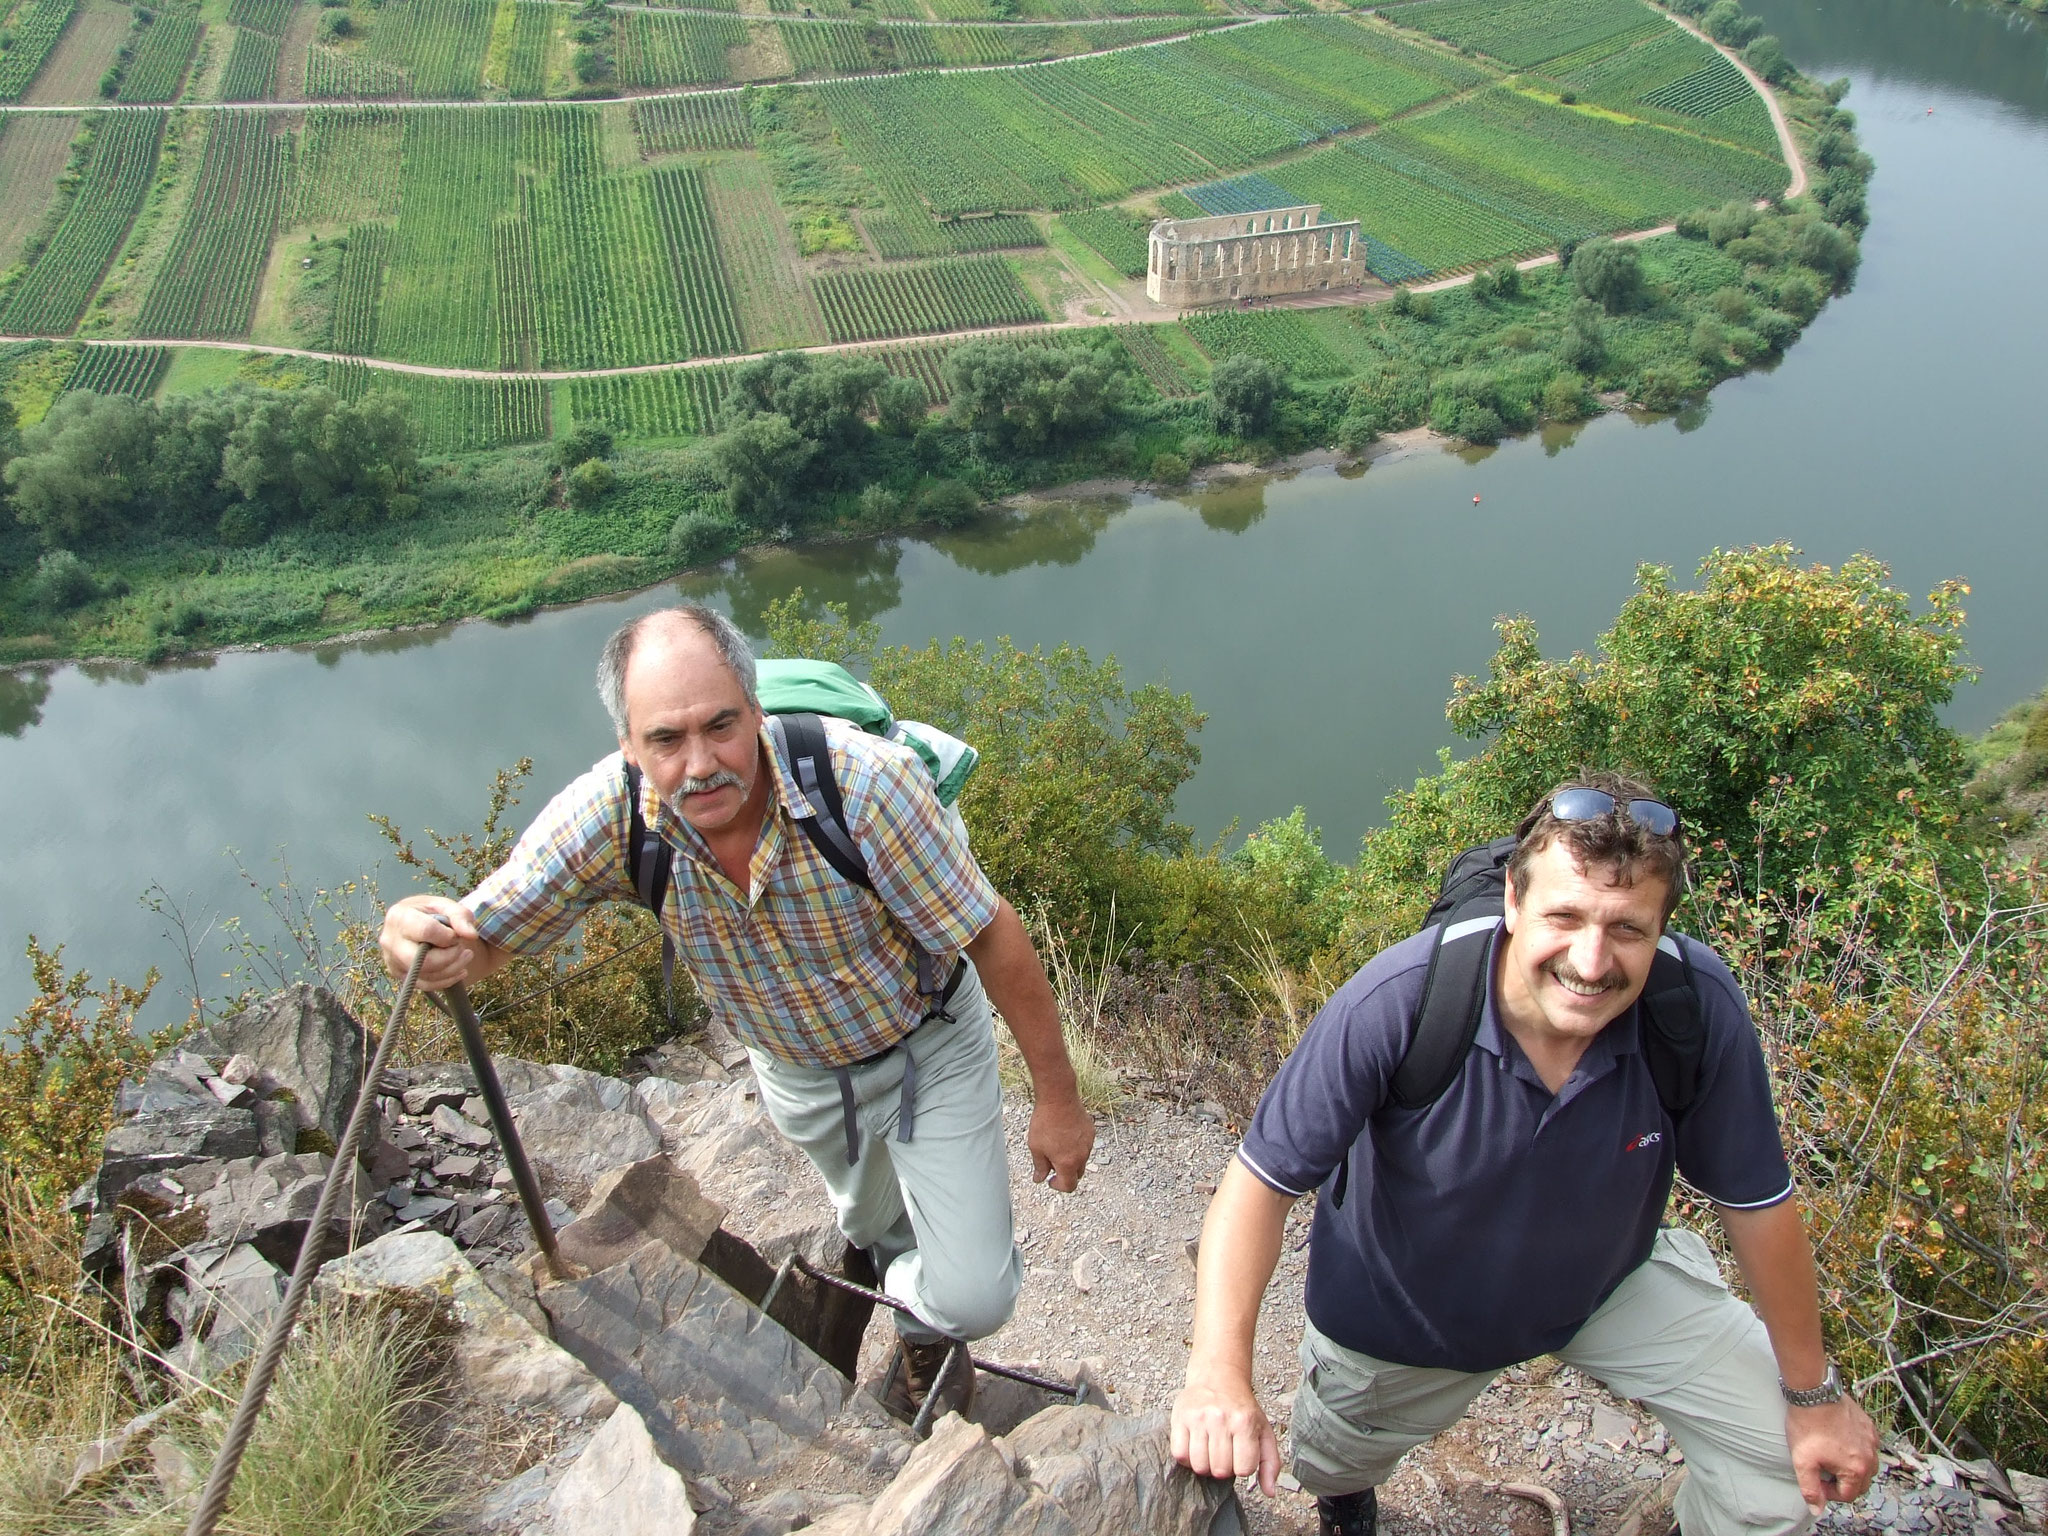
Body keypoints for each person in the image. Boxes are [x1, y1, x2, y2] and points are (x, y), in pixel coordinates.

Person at [378, 605, 1096, 1421]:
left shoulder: (862, 790)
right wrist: (424, 937)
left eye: (721, 726)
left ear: (757, 712)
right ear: (629, 747)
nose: (700, 763)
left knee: (973, 1295)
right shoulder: (612, 817)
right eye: (665, 740)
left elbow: (991, 935)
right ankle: (912, 1309)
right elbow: (485, 937)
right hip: (798, 1072)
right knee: (874, 1225)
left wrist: (1059, 1098)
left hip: (928, 1040)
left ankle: (928, 1323)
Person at [1169, 774, 1879, 1536]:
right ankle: (1347, 1494)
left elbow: (1758, 1202)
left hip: (1605, 1285)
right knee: (1329, 1464)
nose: (1592, 959)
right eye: (1564, 916)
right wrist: (1218, 1375)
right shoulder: (1404, 1001)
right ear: (1513, 899)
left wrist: (1814, 1397)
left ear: (1664, 930)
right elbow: (1257, 1185)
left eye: (1629, 929)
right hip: (1407, 1320)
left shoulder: (1693, 1008)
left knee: (1782, 1465)